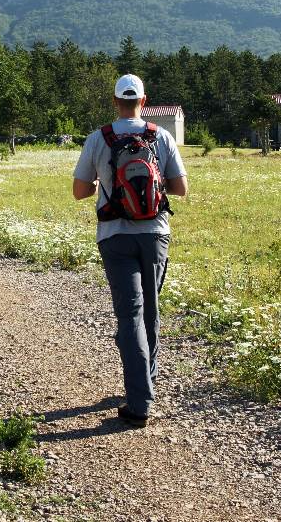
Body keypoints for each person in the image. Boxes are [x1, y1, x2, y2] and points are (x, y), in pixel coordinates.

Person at [72, 74, 187, 427]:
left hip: (114, 235)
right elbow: (181, 188)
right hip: (155, 234)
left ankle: (140, 401)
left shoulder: (99, 138)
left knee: (130, 314)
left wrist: (104, 182)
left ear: (114, 101)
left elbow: (79, 192)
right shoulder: (160, 135)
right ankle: (144, 386)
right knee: (150, 311)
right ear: (144, 99)